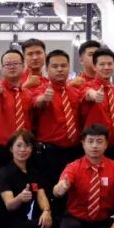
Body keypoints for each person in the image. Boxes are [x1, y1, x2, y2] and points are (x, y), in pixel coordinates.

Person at [0, 130, 55, 228]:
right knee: (36, 227)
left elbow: (41, 195)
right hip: (4, 222)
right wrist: (20, 198)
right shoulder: (4, 172)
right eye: (19, 145)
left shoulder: (33, 172)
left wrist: (46, 211)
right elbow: (9, 205)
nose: (23, 150)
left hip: (22, 221)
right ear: (11, 148)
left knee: (49, 222)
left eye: (27, 146)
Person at [32, 49, 84, 193]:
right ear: (47, 69)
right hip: (50, 152)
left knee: (73, 190)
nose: (60, 69)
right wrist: (44, 99)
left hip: (74, 150)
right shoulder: (41, 89)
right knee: (49, 191)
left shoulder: (76, 92)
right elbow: (37, 102)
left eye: (63, 66)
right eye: (55, 66)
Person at [0, 49, 39, 172]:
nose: (12, 67)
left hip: (25, 150)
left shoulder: (28, 94)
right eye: (8, 64)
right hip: (0, 150)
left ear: (23, 66)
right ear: (2, 68)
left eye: (15, 63)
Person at [79, 47, 114, 162]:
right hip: (94, 147)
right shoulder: (86, 86)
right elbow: (88, 93)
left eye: (110, 64)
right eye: (102, 64)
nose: (106, 67)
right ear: (94, 67)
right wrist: (95, 95)